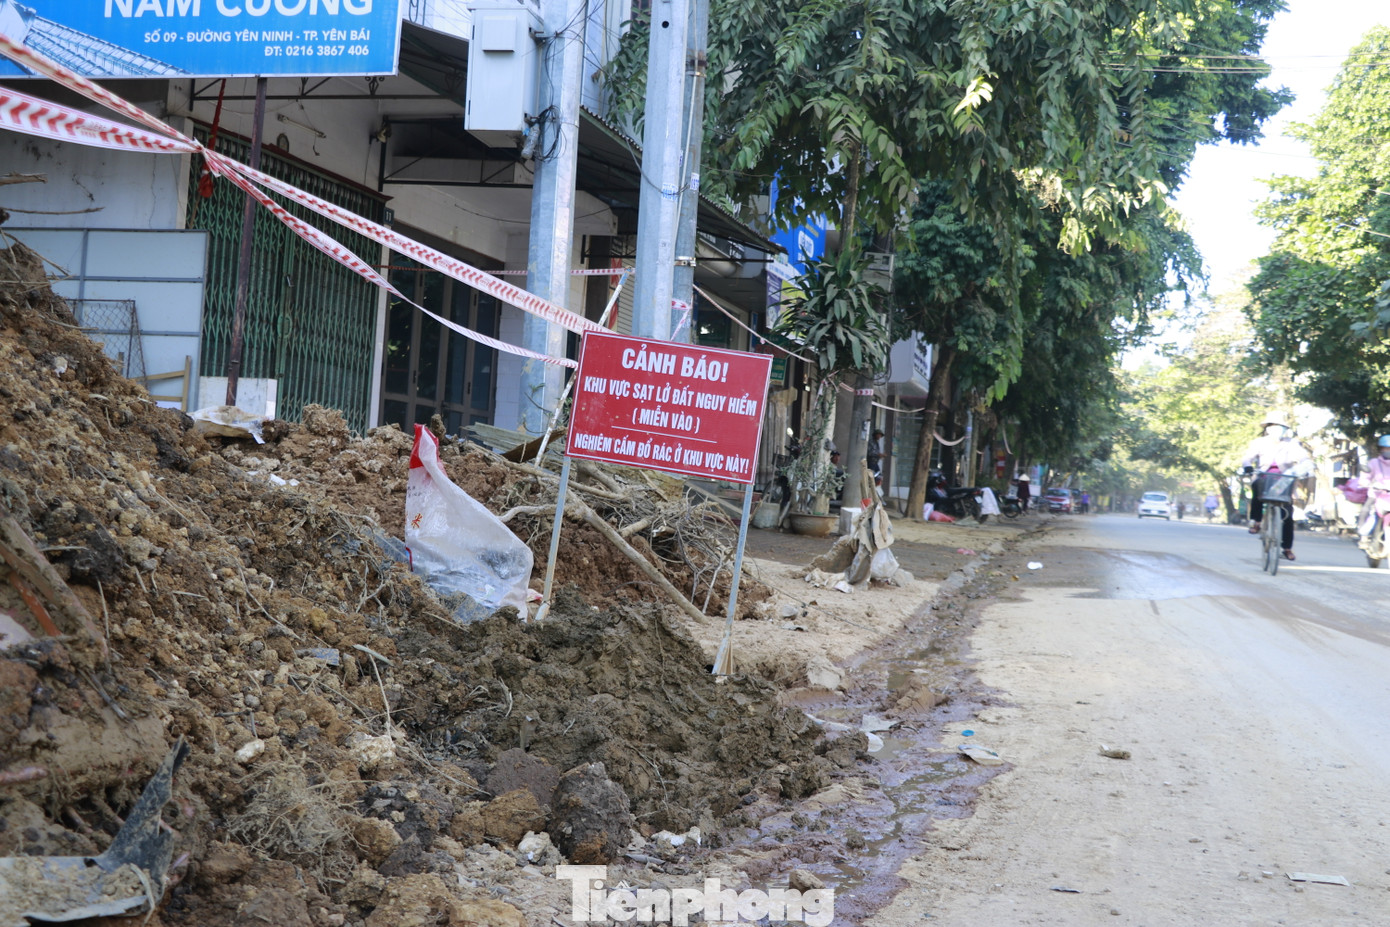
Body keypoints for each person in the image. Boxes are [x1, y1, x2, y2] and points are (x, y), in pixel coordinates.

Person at [1240, 414, 1314, 561]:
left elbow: (1302, 456)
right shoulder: (1259, 442)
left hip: (1284, 480)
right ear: (1268, 428)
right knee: (1256, 489)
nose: (1277, 430)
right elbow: (1248, 457)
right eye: (1274, 427)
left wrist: (1305, 463)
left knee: (1287, 512)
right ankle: (1256, 521)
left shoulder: (1291, 443)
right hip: (1264, 476)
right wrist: (1247, 466)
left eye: (1281, 427)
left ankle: (1287, 548)